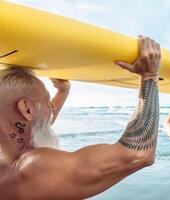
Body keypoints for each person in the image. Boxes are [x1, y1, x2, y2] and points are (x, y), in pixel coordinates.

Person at [0, 36, 161, 199]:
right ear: (26, 108)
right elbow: (137, 155)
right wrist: (150, 75)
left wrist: (62, 92)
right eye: (47, 101)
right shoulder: (31, 169)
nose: (52, 107)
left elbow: (36, 122)